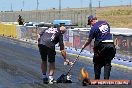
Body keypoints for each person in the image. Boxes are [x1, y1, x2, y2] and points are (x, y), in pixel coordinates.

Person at [81, 15, 116, 79]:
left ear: (92, 20)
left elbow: (89, 40)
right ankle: (106, 80)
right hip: (111, 45)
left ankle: (97, 79)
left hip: (102, 45)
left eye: (90, 23)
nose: (91, 25)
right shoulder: (106, 23)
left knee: (97, 62)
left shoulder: (94, 28)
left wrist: (84, 46)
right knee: (107, 63)